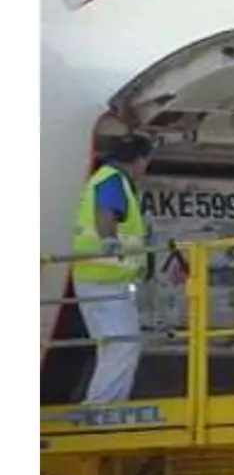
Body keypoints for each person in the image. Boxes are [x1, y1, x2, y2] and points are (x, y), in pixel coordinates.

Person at [70, 134, 155, 404]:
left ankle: (105, 405)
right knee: (123, 343)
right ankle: (101, 407)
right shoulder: (112, 179)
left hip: (97, 277)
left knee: (115, 345)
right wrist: (110, 245)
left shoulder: (103, 176)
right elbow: (105, 210)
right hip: (106, 278)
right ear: (140, 160)